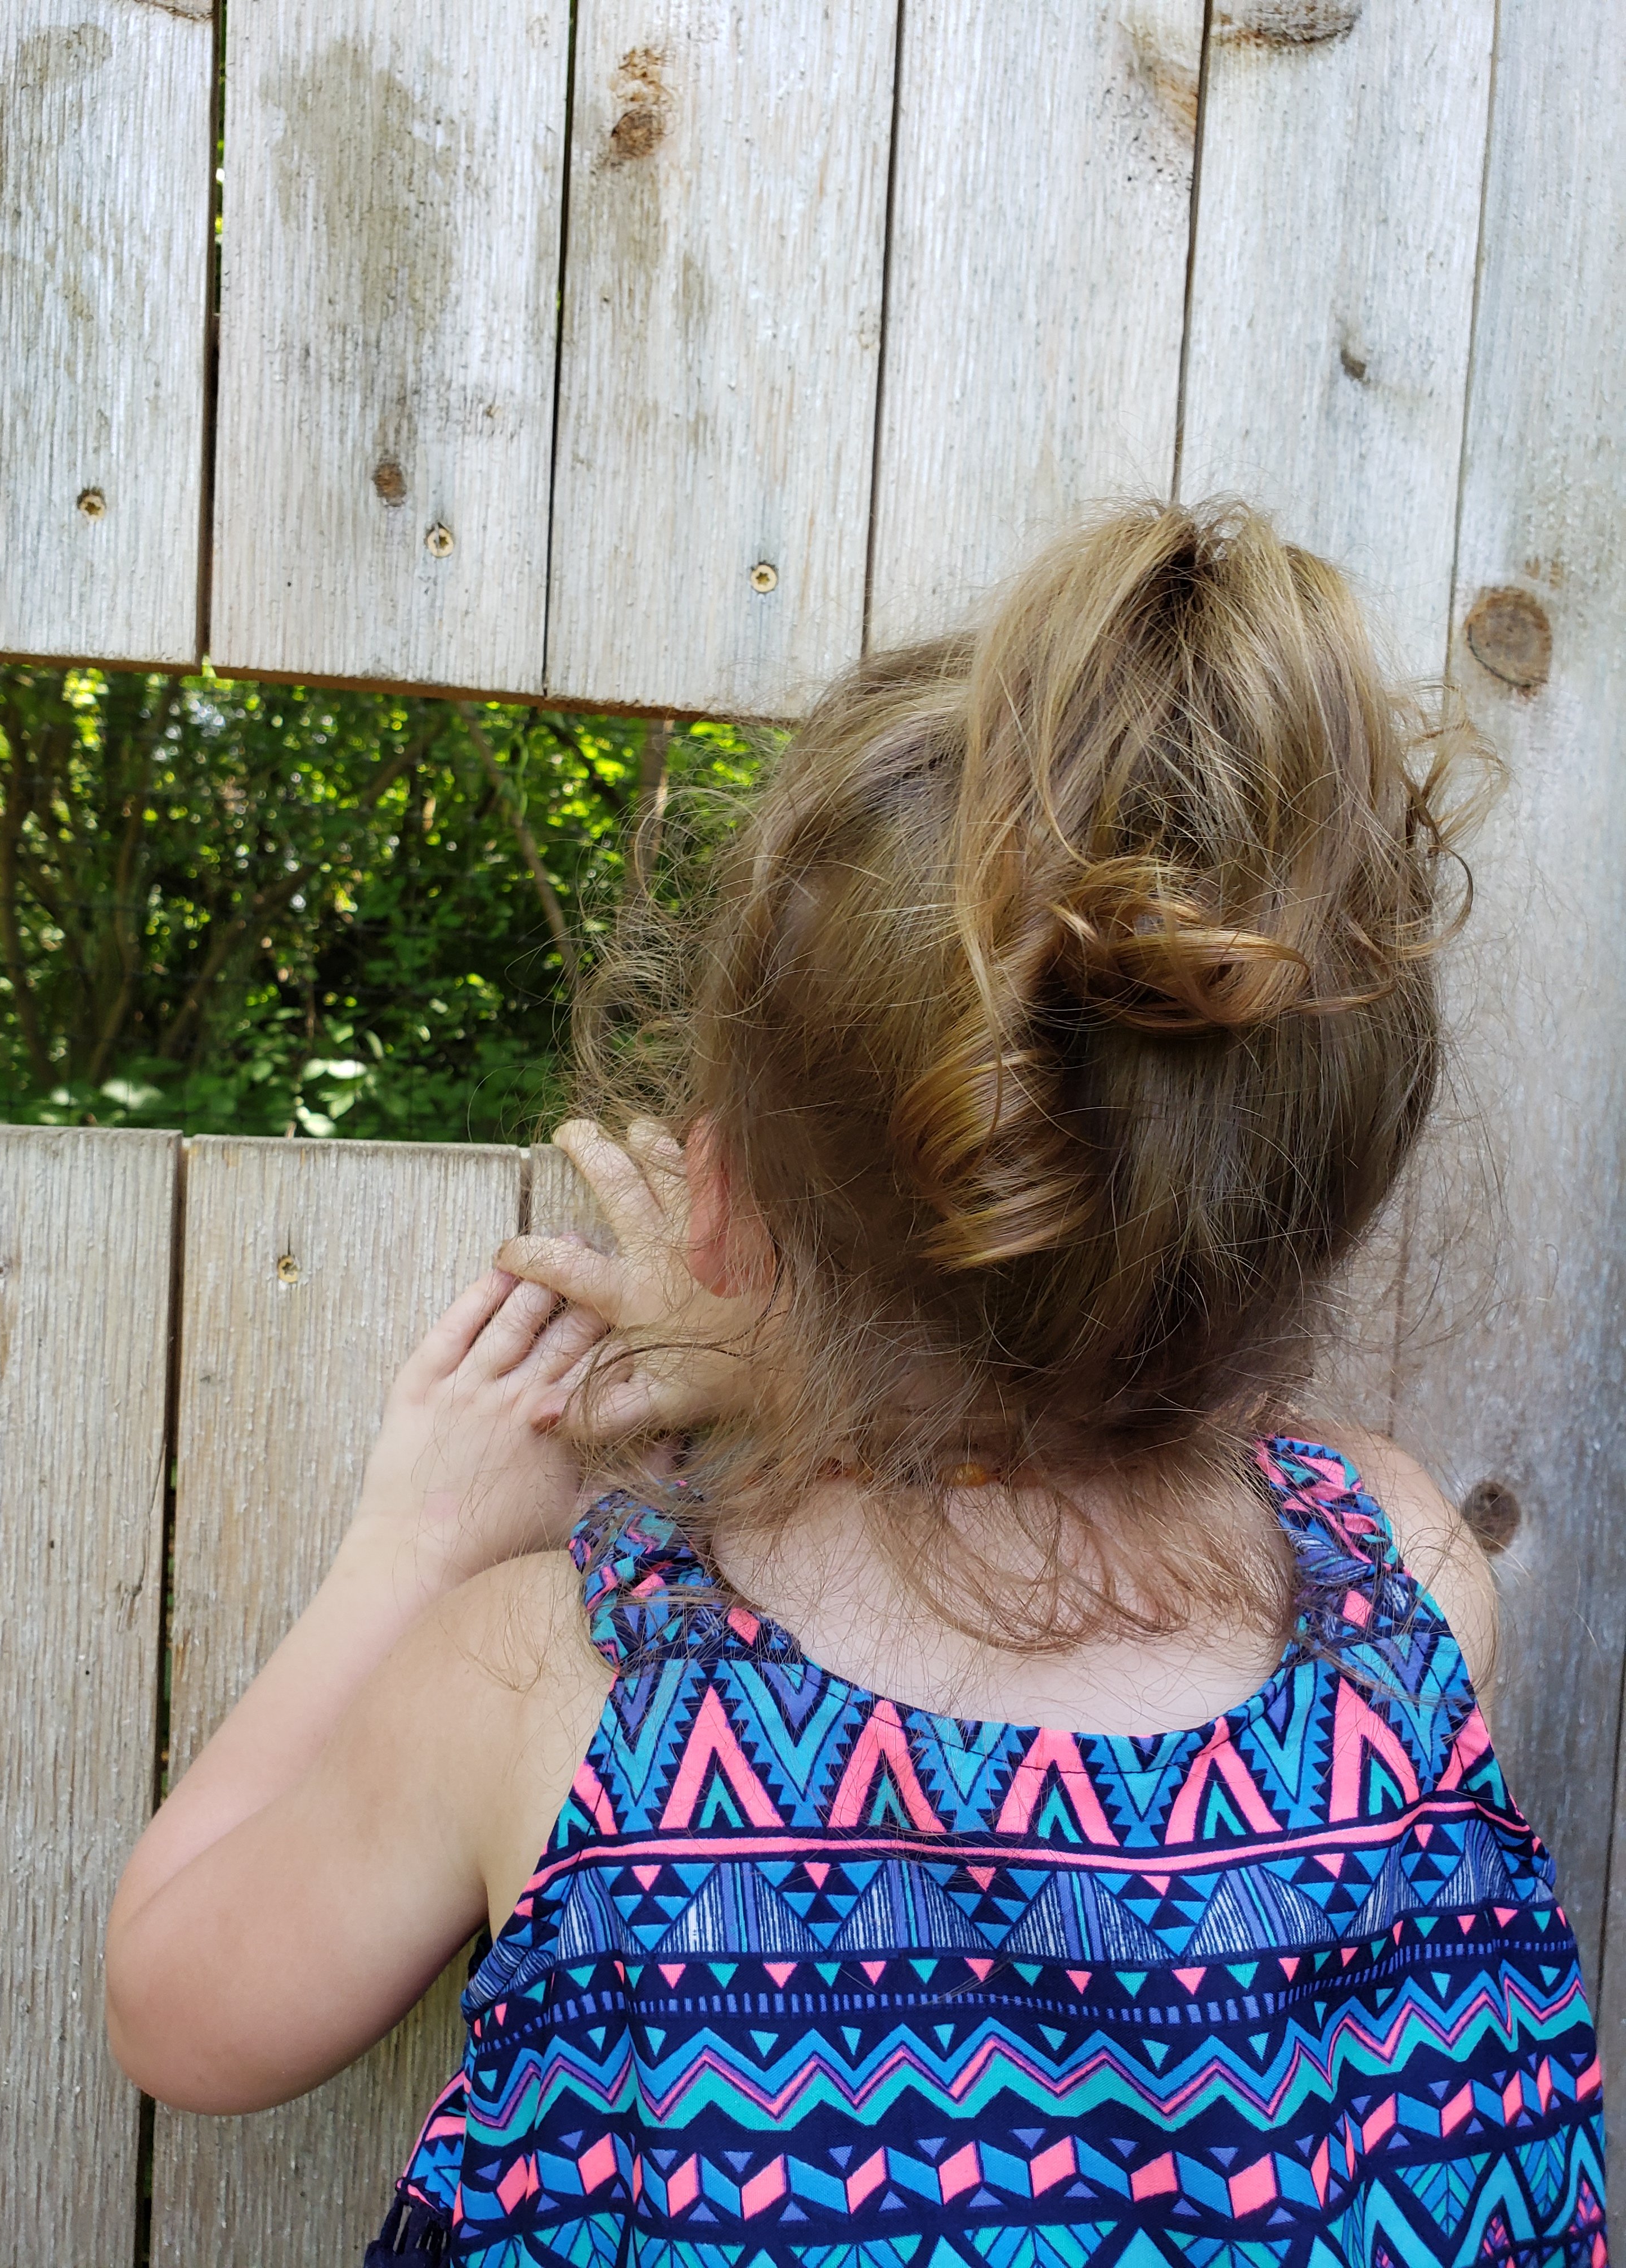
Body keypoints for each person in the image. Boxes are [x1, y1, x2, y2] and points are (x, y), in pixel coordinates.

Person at [105, 502, 1606, 2268]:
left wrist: (414, 1540)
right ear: (1307, 1225)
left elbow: (179, 2002)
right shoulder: (1412, 1588)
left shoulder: (560, 1690)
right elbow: (1108, 1342)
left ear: (722, 1204)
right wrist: (820, 1335)